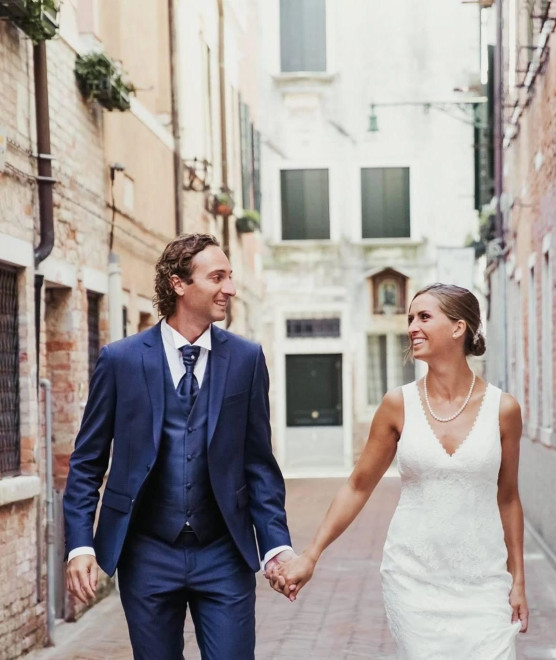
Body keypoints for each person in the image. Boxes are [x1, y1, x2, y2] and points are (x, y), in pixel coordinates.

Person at [63, 233, 294, 660]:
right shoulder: (122, 360)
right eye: (218, 277)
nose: (230, 288)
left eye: (230, 276)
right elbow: (87, 462)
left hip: (224, 552)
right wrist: (80, 545)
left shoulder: (246, 359)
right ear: (178, 284)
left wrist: (277, 546)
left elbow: (259, 463)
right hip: (147, 553)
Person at [269, 283, 529, 659]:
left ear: (459, 328)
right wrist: (311, 555)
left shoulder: (503, 409)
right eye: (410, 318)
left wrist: (518, 578)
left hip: (484, 581)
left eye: (424, 317)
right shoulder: (397, 404)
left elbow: (508, 498)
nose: (412, 327)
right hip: (413, 577)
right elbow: (357, 486)